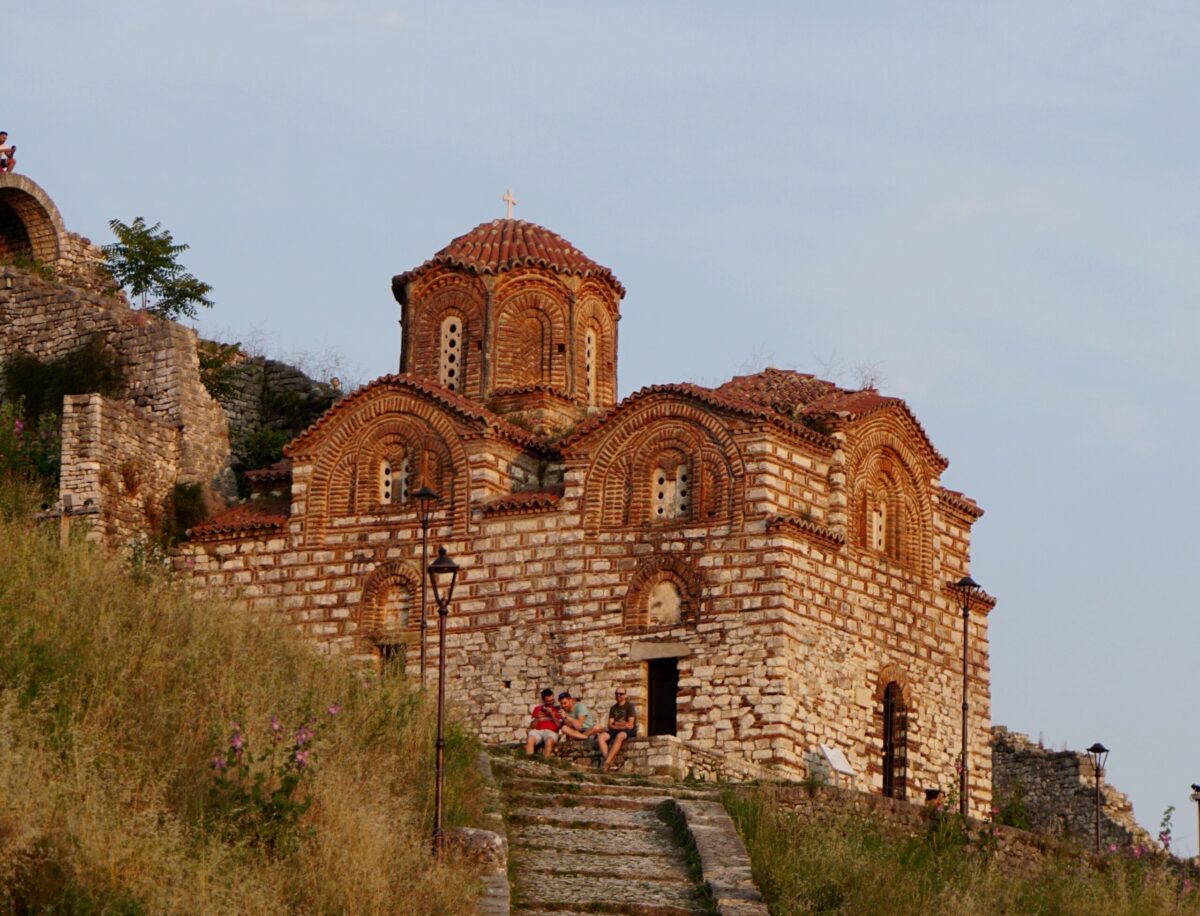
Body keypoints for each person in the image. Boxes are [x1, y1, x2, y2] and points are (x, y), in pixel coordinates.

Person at [597, 686, 637, 770]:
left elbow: (630, 724)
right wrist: (620, 725)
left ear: (625, 695)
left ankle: (607, 762)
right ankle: (609, 761)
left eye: (621, 694)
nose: (618, 695)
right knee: (601, 737)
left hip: (629, 730)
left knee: (620, 736)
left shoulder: (629, 706)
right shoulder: (613, 708)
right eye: (617, 693)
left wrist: (616, 723)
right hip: (616, 729)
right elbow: (610, 724)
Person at [524, 687, 562, 758]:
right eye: (548, 701)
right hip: (538, 731)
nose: (551, 703)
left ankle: (545, 763)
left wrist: (553, 715)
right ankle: (529, 761)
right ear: (543, 701)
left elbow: (560, 726)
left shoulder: (558, 709)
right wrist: (537, 718)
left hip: (552, 732)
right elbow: (532, 726)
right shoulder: (537, 709)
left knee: (549, 740)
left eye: (552, 700)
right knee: (530, 739)